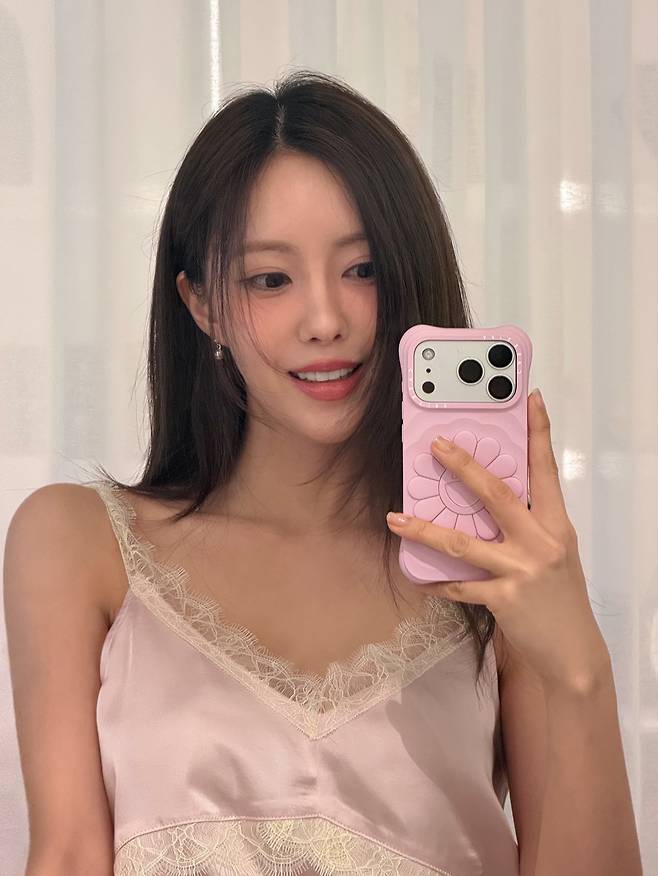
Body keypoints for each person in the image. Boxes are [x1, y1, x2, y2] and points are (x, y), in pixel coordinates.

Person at [5, 70, 520, 875]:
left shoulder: (496, 565)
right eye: (270, 279)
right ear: (202, 304)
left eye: (363, 269)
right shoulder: (77, 544)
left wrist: (577, 656)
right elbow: (68, 853)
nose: (325, 320)